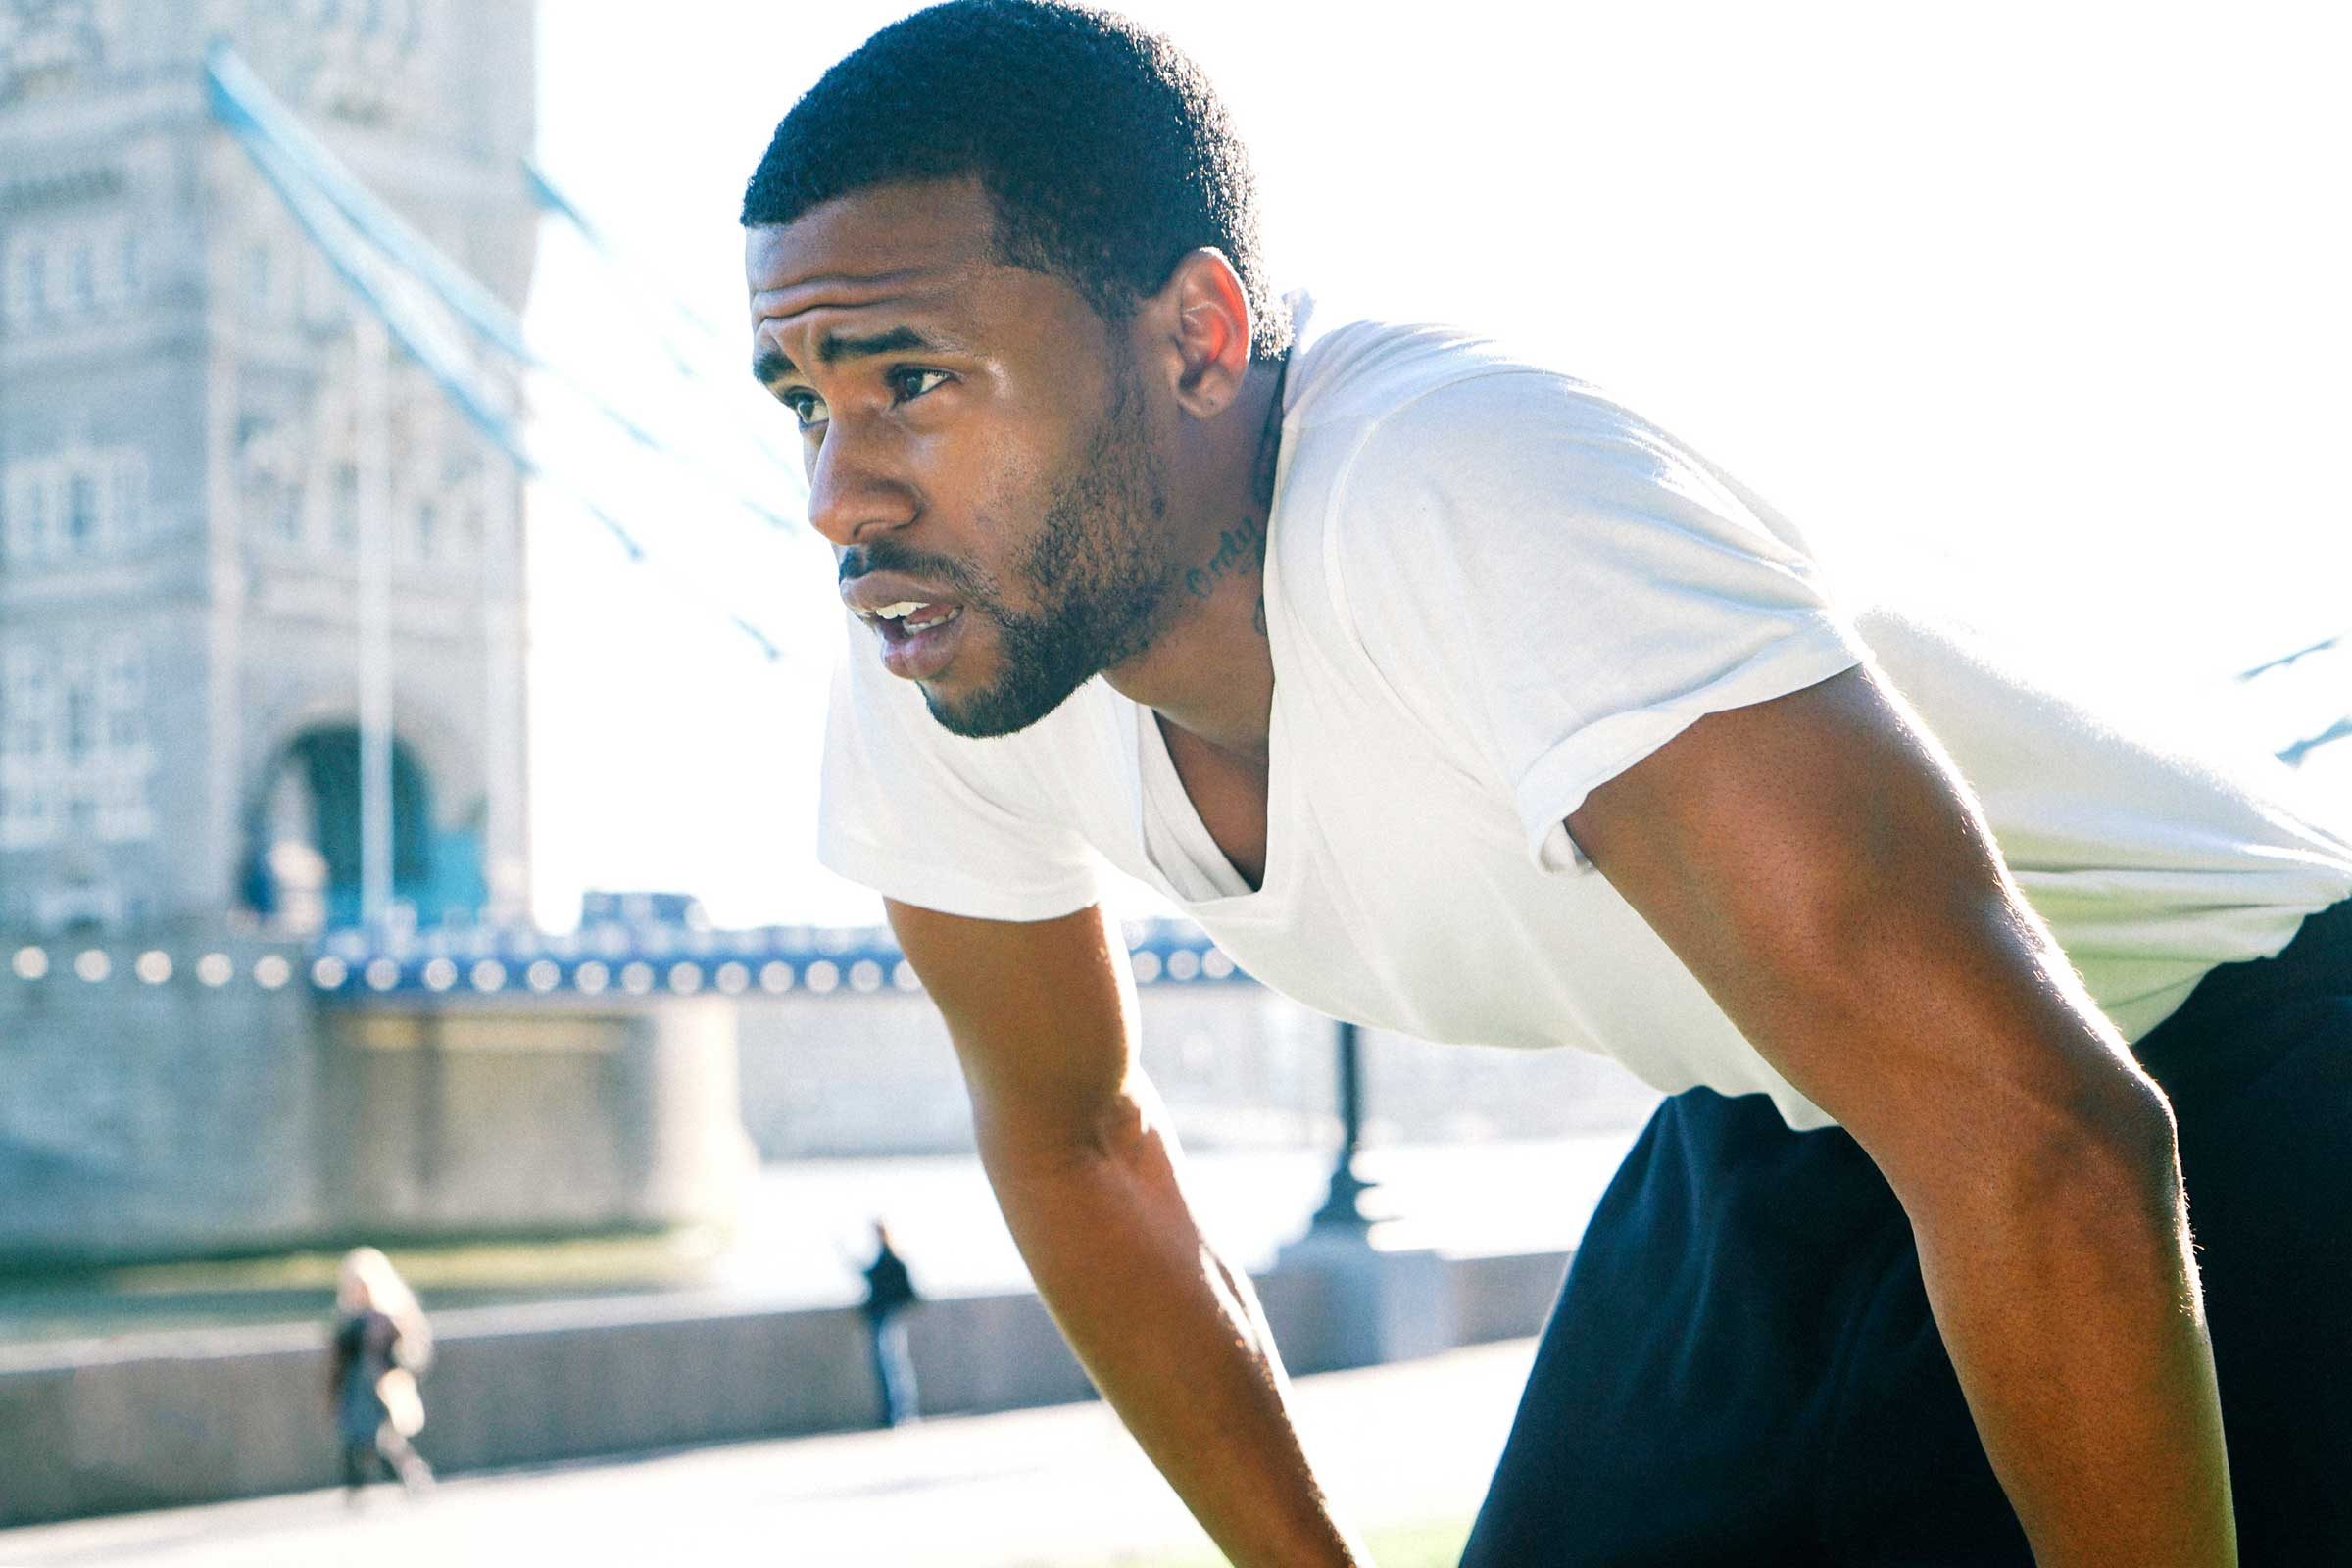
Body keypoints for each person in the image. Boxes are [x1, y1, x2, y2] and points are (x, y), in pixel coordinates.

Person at [737, 4, 2352, 1561]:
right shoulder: (950, 626)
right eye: (806, 401)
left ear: (1199, 337)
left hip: (2245, 1056)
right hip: (1790, 1113)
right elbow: (1072, 1137)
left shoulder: (1465, 490)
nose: (836, 494)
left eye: (914, 381)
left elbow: (2043, 1132)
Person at [327, 1247, 434, 1500]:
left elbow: (409, 1352)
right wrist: (333, 1391)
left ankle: (412, 1475)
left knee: (385, 1439)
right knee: (355, 1439)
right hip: (357, 1388)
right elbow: (338, 1360)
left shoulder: (388, 1319)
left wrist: (399, 1374)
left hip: (382, 1388)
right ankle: (355, 1488)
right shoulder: (349, 1321)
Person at [860, 1220, 922, 1427]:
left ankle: (902, 1414)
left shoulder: (892, 1260)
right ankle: (896, 1414)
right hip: (883, 1317)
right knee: (890, 1366)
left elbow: (903, 1290)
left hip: (890, 1318)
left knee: (894, 1365)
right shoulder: (883, 1259)